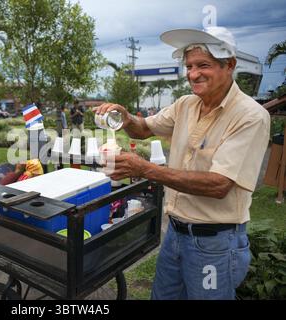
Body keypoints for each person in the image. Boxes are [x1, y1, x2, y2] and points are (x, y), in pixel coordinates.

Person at [94, 26, 270, 300]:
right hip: (175, 233)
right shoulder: (186, 105)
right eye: (189, 66)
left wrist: (145, 169)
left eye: (203, 65)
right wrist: (126, 117)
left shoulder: (250, 116)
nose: (193, 74)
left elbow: (219, 185)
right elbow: (143, 129)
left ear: (230, 65)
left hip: (215, 242)